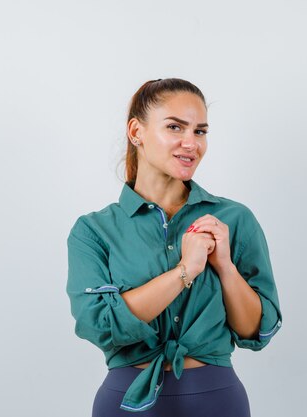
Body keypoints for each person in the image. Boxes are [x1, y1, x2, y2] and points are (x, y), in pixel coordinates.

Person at [66, 78, 282, 416]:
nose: (191, 143)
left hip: (216, 400)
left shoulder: (234, 220)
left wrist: (224, 267)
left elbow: (256, 331)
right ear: (136, 132)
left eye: (200, 131)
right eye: (174, 127)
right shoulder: (94, 231)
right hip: (126, 403)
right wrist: (186, 270)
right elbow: (99, 326)